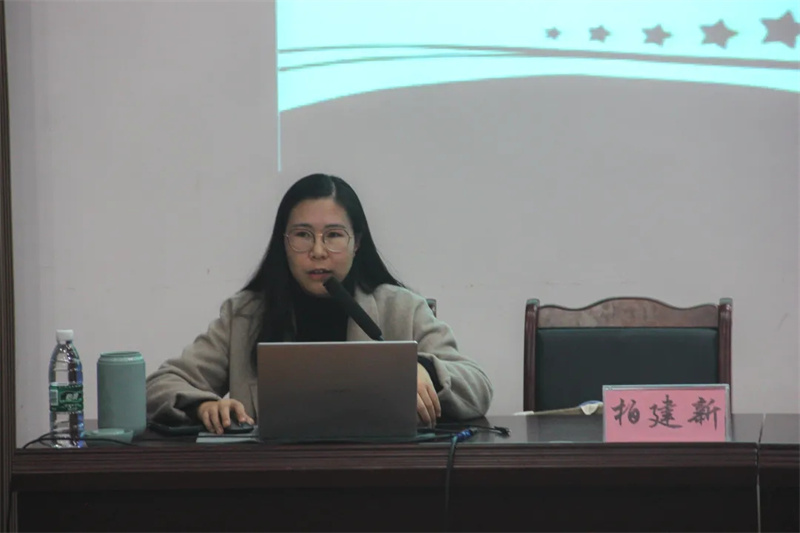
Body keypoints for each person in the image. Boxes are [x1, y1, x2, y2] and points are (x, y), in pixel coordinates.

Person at [146, 173, 493, 434]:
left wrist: (424, 369)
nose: (317, 251)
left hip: (381, 476)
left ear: (357, 243)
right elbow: (160, 385)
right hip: (270, 480)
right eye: (302, 235)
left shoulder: (401, 308)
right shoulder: (245, 315)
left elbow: (478, 385)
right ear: (284, 243)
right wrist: (203, 405)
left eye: (333, 235)